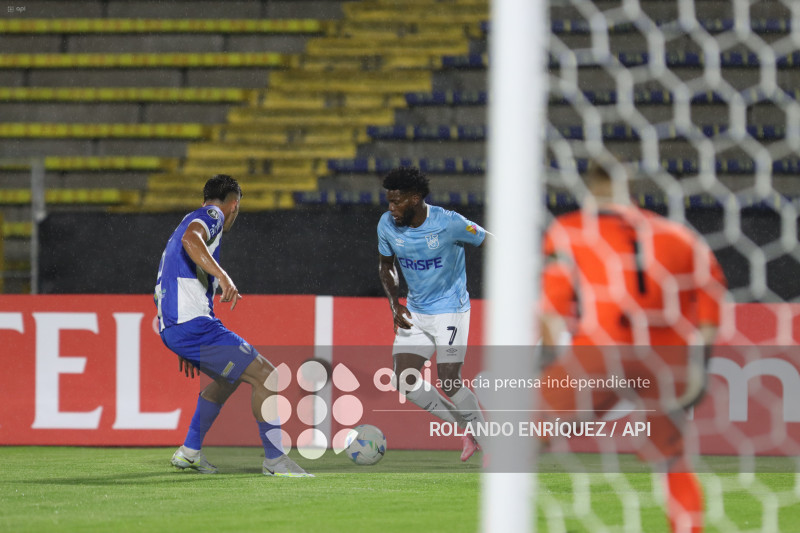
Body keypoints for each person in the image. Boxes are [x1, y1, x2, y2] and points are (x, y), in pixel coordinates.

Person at [539, 158, 727, 533]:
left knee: (519, 438)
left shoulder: (570, 229)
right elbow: (710, 308)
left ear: (591, 191)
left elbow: (551, 310)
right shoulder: (678, 234)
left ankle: (501, 518)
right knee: (673, 460)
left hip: (599, 349)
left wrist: (548, 364)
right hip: (665, 358)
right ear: (632, 191)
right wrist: (699, 364)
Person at [154, 174, 312, 477]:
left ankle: (189, 452)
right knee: (267, 375)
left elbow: (165, 282)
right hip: (191, 324)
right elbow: (192, 240)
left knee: (228, 379)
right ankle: (275, 460)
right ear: (234, 205)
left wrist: (178, 336)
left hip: (178, 325)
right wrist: (224, 276)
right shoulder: (211, 216)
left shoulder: (185, 222)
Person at [377, 166, 489, 462]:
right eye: (388, 201)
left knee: (450, 379)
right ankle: (468, 429)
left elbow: (489, 240)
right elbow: (385, 264)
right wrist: (394, 303)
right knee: (404, 380)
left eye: (396, 201)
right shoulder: (387, 225)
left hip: (450, 310)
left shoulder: (449, 223)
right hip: (414, 310)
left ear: (414, 198)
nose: (391, 208)